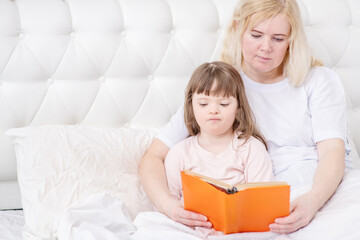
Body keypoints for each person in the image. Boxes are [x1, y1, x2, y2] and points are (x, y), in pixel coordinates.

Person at [139, 0, 349, 234]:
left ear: (291, 40)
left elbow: (332, 152)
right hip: (252, 196)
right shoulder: (223, 89)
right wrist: (168, 205)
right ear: (238, 29)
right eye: (256, 35)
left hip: (316, 189)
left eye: (278, 39)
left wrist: (312, 202)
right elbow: (153, 157)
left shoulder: (319, 80)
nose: (265, 47)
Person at [164, 62, 275, 227]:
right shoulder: (179, 152)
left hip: (239, 226)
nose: (213, 110)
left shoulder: (251, 148)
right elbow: (171, 201)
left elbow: (263, 199)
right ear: (191, 106)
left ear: (238, 107)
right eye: (203, 104)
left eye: (223, 104)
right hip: (191, 227)